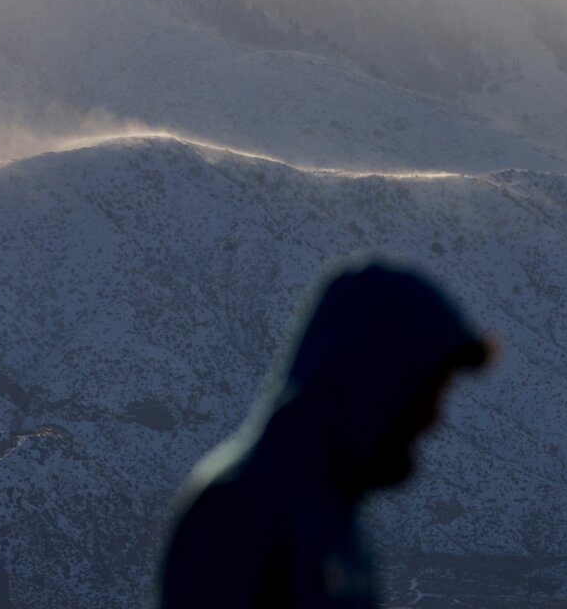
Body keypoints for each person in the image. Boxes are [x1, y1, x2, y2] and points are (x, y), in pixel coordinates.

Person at [155, 257, 493, 608]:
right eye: (426, 394)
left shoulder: (333, 517)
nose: (432, 419)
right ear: (371, 383)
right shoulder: (242, 507)